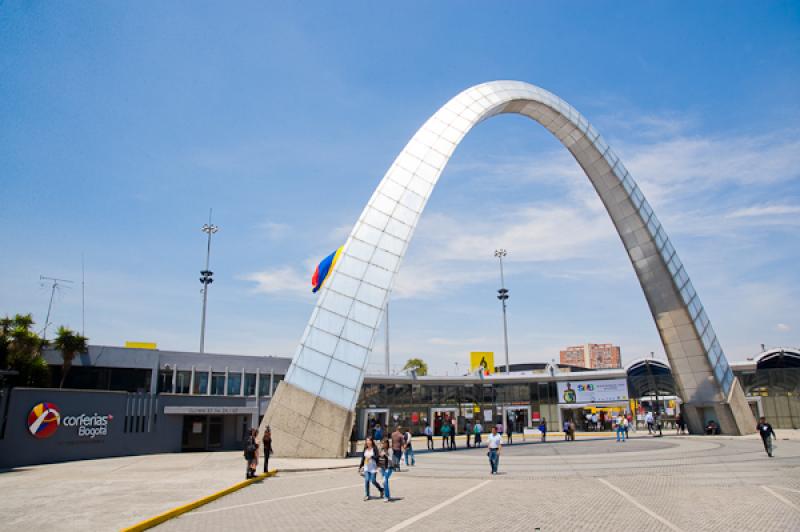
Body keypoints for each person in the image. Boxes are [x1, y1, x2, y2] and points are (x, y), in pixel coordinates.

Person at [358, 437, 384, 501]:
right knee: (366, 480)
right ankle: (367, 495)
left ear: (372, 441)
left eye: (369, 441)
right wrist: (360, 466)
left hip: (373, 468)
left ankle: (381, 489)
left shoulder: (374, 449)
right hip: (366, 467)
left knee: (373, 481)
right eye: (367, 441)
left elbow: (377, 457)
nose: (368, 442)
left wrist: (371, 457)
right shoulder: (365, 449)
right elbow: (363, 458)